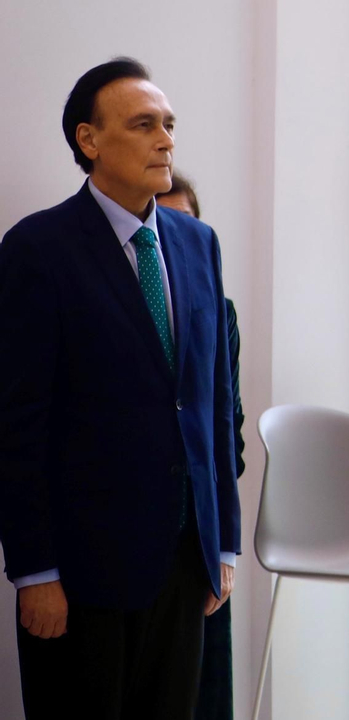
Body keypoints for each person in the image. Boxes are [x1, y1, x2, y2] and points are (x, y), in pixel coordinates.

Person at [0, 58, 241, 719]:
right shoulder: (36, 250)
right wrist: (35, 572)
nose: (165, 139)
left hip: (184, 559)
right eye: (143, 125)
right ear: (90, 140)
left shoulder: (198, 244)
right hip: (83, 570)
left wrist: (221, 544)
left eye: (168, 124)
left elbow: (213, 405)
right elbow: (18, 426)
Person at [155, 173, 245, 720]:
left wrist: (221, 537)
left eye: (184, 224)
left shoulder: (219, 309)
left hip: (200, 521)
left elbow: (225, 422)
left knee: (206, 689)